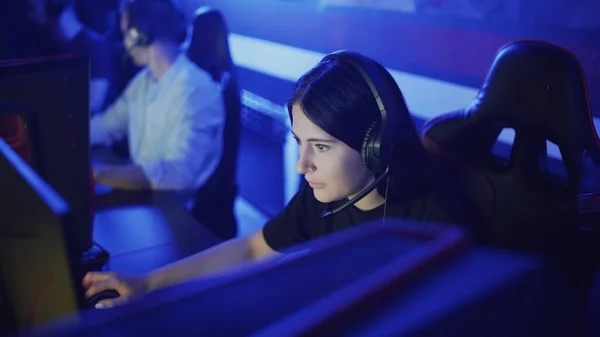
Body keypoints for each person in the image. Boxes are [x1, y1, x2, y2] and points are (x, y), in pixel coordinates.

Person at [83, 51, 482, 308]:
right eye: (299, 143)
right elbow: (255, 248)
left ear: (373, 144)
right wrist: (148, 283)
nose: (301, 165)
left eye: (321, 147)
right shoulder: (326, 196)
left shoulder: (437, 226)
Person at [89, 0, 225, 192]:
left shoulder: (196, 90)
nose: (125, 43)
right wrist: (67, 138)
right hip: (147, 201)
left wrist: (98, 174)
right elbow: (108, 125)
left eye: (126, 33)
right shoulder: (143, 82)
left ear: (141, 35)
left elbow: (179, 172)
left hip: (177, 213)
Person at [26, 0, 113, 114]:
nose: (29, 15)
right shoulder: (50, 51)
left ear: (53, 6)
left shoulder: (95, 48)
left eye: (32, 8)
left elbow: (92, 105)